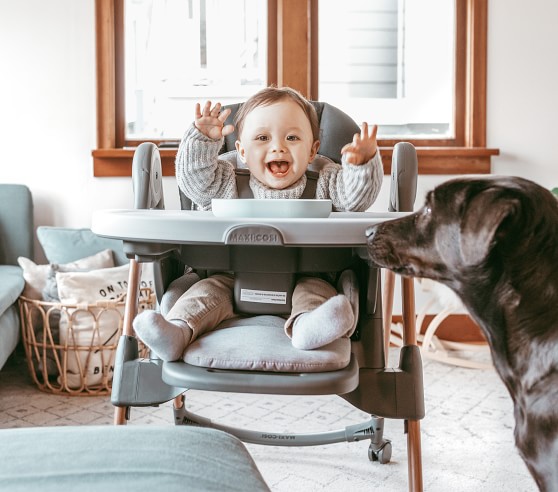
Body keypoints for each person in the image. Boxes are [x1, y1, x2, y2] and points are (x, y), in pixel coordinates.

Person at [134, 86, 383, 361]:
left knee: (317, 293)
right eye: (263, 137)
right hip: (228, 277)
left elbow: (355, 199)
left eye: (292, 137)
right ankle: (178, 331)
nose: (278, 146)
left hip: (309, 275)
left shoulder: (327, 180)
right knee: (203, 294)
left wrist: (361, 166)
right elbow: (194, 181)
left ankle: (307, 328)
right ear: (241, 150)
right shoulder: (225, 181)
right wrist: (202, 142)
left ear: (313, 150)